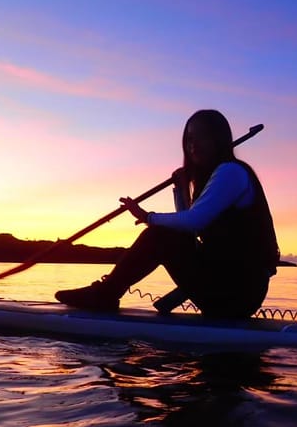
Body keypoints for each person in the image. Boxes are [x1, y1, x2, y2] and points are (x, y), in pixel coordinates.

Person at [55, 109, 279, 318]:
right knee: (165, 234)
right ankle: (106, 292)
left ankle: (105, 294)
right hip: (223, 282)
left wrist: (148, 217)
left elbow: (194, 221)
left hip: (237, 290)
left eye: (202, 137)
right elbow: (192, 230)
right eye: (189, 139)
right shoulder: (215, 177)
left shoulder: (231, 171)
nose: (193, 145)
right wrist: (181, 190)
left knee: (159, 235)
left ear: (219, 139)